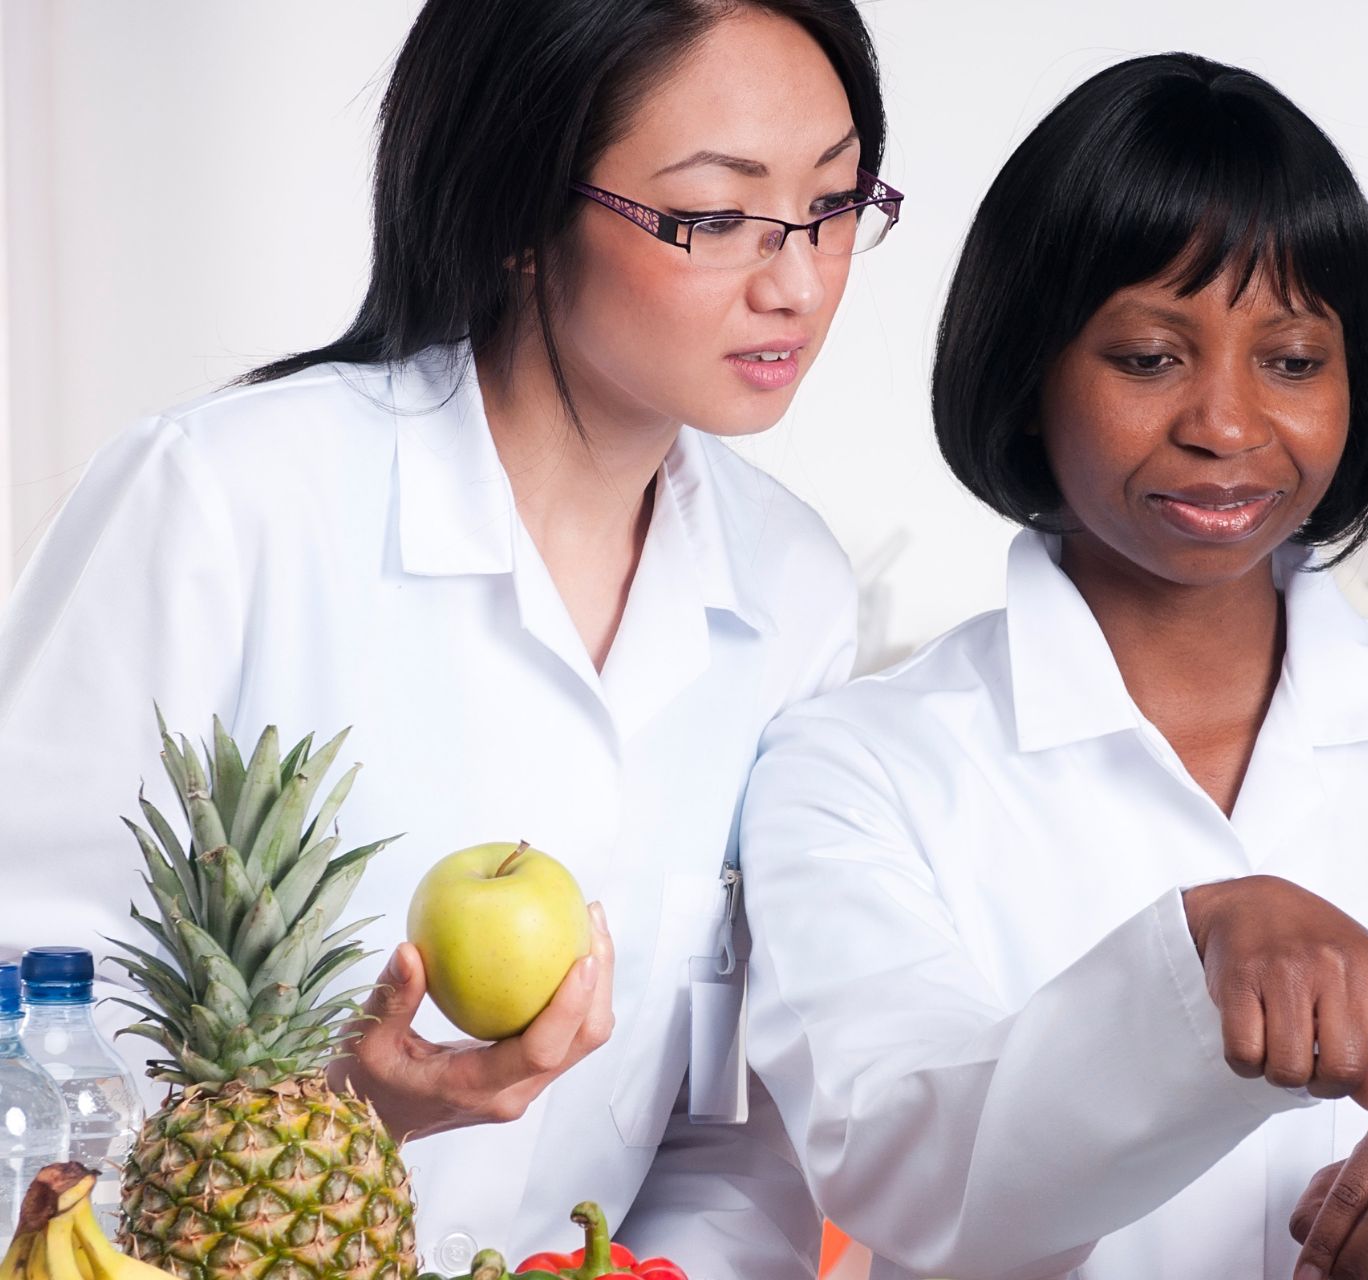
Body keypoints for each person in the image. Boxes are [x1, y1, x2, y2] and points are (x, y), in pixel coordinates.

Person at [0, 1, 902, 1274]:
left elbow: (726, 1125)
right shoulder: (225, 496)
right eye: (714, 215)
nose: (798, 279)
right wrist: (348, 1113)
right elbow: (27, 1022)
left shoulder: (794, 587)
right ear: (520, 210)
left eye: (834, 203)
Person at [738, 52, 1368, 1280]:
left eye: (1294, 359)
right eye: (1151, 357)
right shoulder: (858, 768)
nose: (1226, 422)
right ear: (1027, 368)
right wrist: (1189, 959)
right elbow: (912, 1173)